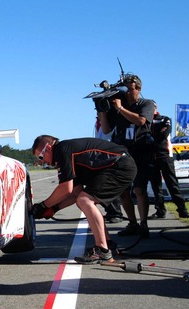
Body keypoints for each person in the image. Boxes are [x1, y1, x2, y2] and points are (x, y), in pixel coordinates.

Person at [31, 135, 136, 264]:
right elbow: (74, 193)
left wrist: (43, 206)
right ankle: (107, 244)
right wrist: (54, 208)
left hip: (119, 165)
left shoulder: (62, 149)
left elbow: (65, 188)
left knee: (85, 201)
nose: (42, 162)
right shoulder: (66, 153)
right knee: (83, 199)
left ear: (48, 147)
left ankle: (103, 252)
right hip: (118, 165)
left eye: (41, 157)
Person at [96, 74, 155, 238]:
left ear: (138, 89)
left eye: (130, 90)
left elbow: (141, 121)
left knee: (139, 189)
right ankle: (132, 223)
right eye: (125, 90)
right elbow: (107, 130)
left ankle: (143, 224)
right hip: (122, 152)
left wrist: (121, 109)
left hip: (140, 151)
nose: (127, 93)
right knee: (123, 191)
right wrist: (103, 111)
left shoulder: (146, 104)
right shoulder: (116, 106)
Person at [148, 103, 189, 219]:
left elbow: (164, 133)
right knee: (156, 186)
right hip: (152, 157)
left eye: (152, 107)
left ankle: (182, 209)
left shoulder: (164, 119)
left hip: (165, 156)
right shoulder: (144, 121)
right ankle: (160, 210)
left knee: (172, 184)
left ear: (156, 108)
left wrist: (151, 136)